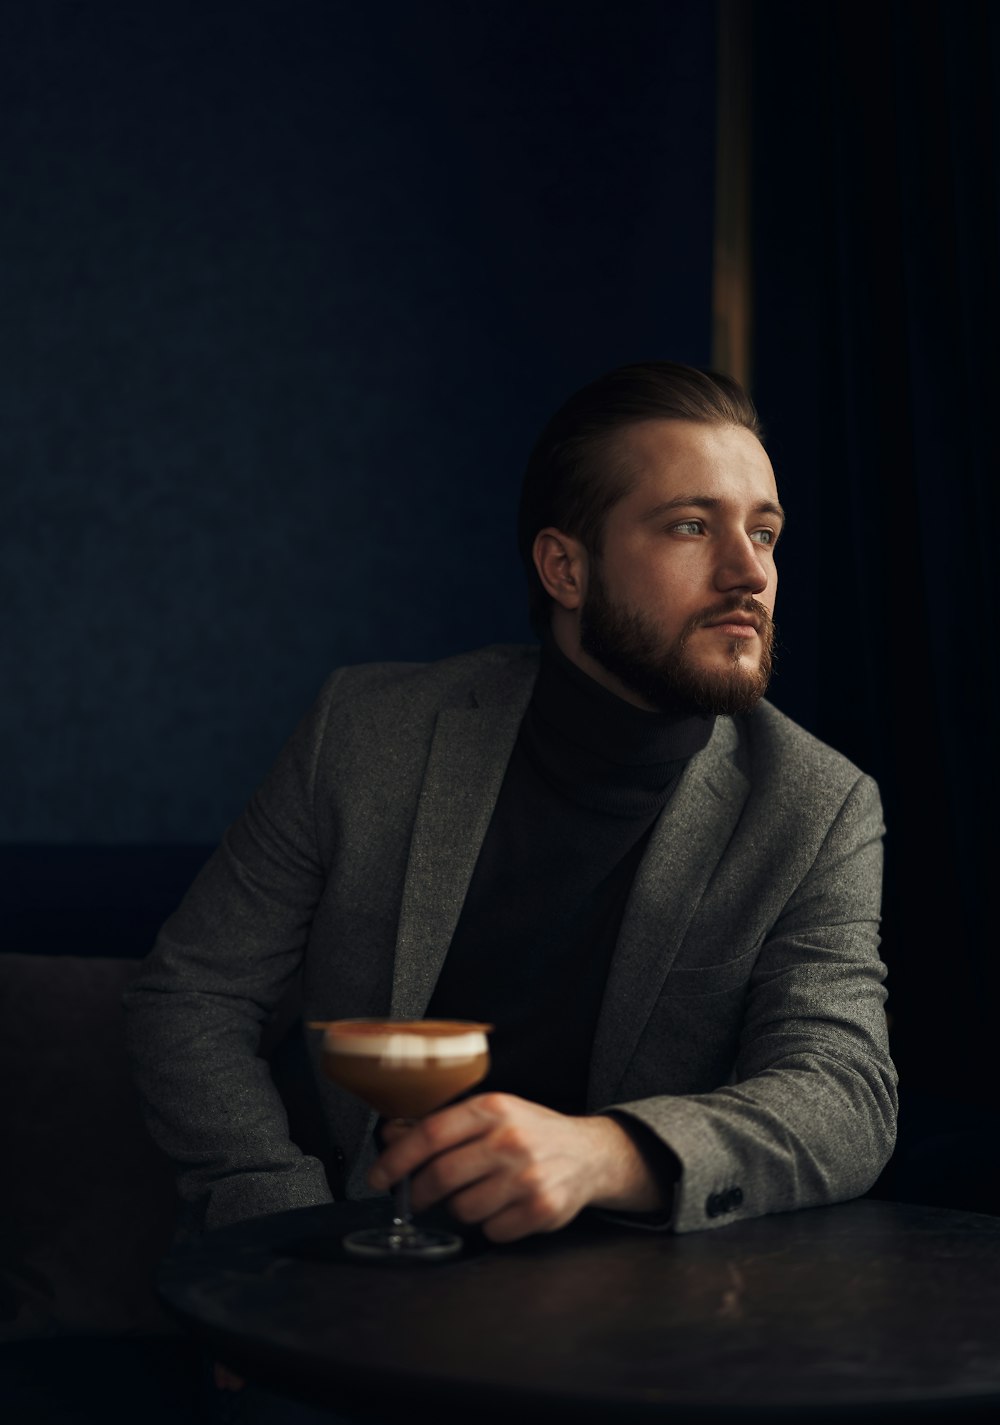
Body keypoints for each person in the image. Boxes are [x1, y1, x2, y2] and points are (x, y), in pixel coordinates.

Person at [124, 360, 896, 1256]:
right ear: (565, 567)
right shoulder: (367, 732)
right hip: (348, 1260)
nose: (747, 574)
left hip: (634, 1301)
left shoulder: (818, 804)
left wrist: (608, 1152)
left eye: (765, 533)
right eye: (691, 525)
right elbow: (192, 994)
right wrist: (284, 1229)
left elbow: (844, 1092)